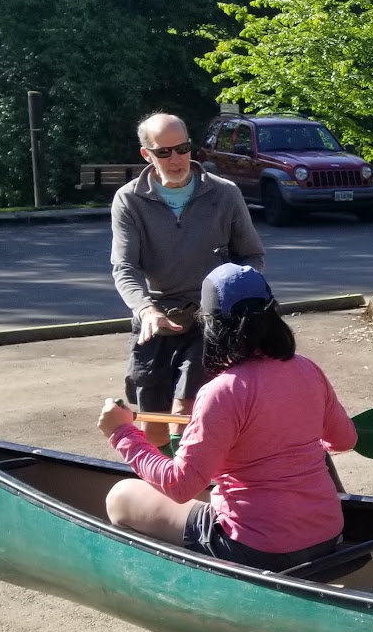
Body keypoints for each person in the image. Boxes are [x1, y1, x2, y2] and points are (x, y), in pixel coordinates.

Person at [96, 264, 357, 572]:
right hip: (327, 535)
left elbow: (181, 487)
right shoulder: (307, 369)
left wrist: (122, 434)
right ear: (274, 313)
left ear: (211, 326)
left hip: (254, 549)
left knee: (121, 497)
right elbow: (345, 439)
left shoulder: (221, 391)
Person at [110, 112, 266, 442]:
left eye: (182, 148)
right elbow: (125, 267)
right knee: (151, 412)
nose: (176, 159)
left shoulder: (225, 194)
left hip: (211, 315)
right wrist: (145, 310)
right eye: (164, 152)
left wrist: (228, 306)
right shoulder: (129, 200)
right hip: (156, 316)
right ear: (146, 154)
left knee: (187, 408)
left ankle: (191, 478)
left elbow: (251, 257)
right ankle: (158, 482)